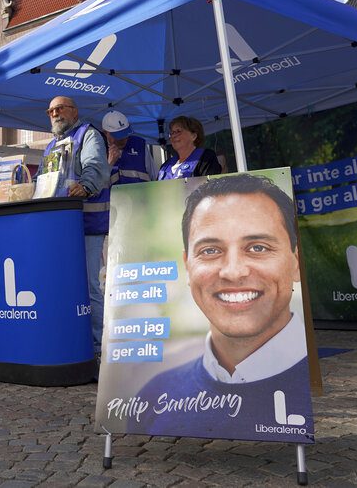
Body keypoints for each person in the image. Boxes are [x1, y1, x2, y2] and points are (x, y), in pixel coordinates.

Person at [129, 173, 312, 440]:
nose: (233, 272)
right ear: (187, 266)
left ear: (295, 262)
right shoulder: (154, 395)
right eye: (210, 251)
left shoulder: (303, 385)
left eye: (258, 247)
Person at [43, 96, 111, 354]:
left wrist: (86, 186)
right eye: (51, 110)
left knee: (89, 284)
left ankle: (99, 345)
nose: (55, 113)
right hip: (58, 226)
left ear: (74, 111)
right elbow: (43, 179)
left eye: (60, 108)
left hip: (86, 223)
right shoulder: (50, 146)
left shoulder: (89, 135)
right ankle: (72, 338)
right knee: (66, 284)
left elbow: (96, 167)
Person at [158, 115, 222, 180]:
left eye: (178, 131)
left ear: (193, 136)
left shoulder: (205, 157)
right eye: (172, 133)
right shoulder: (165, 165)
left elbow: (210, 186)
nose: (173, 136)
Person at [101, 110, 155, 186]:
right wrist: (109, 165)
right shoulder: (98, 150)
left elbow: (154, 177)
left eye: (124, 134)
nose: (122, 139)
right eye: (117, 136)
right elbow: (97, 187)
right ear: (105, 133)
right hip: (113, 197)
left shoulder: (139, 145)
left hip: (142, 196)